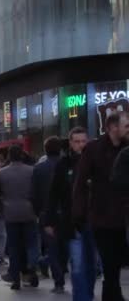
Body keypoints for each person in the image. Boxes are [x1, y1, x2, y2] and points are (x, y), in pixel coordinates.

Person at [73, 112, 129, 301]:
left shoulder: (126, 148)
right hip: (102, 215)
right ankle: (112, 295)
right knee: (108, 260)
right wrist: (79, 214)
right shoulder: (94, 149)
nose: (128, 129)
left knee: (116, 261)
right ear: (113, 127)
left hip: (124, 216)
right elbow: (80, 183)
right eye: (126, 126)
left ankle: (112, 293)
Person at [43, 127, 94, 301]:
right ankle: (82, 297)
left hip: (94, 220)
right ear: (71, 143)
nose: (80, 145)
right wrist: (49, 220)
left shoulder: (95, 162)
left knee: (91, 264)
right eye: (77, 141)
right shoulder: (63, 165)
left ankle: (87, 293)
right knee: (78, 263)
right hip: (73, 221)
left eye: (83, 141)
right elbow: (53, 193)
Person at [0, 145, 39, 290]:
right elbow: (38, 191)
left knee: (14, 245)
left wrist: (2, 207)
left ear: (9, 157)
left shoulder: (1, 173)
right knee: (30, 243)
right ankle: (31, 267)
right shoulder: (32, 171)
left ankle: (15, 277)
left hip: (10, 212)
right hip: (29, 211)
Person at [32, 136, 65, 293]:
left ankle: (58, 281)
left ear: (45, 150)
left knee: (52, 248)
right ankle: (52, 266)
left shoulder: (39, 169)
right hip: (68, 213)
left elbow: (34, 194)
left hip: (46, 213)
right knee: (67, 247)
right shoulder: (68, 165)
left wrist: (39, 212)